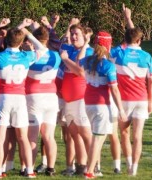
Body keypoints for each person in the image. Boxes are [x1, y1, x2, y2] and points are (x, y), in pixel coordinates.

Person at [0, 18, 47, 178]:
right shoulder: (26, 57)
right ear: (21, 41)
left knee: (0, 138)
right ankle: (29, 171)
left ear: (5, 39)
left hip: (3, 99)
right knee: (23, 137)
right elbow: (42, 48)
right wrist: (28, 33)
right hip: (19, 100)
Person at [67, 30, 126, 179]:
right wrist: (121, 110)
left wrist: (85, 43)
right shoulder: (108, 65)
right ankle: (90, 171)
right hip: (101, 105)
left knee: (97, 137)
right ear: (108, 45)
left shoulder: (87, 60)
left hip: (88, 104)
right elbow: (114, 90)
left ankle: (91, 169)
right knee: (97, 139)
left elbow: (78, 59)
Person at [113, 27, 152, 176]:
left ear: (125, 40)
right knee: (138, 135)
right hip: (141, 99)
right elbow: (151, 81)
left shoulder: (118, 54)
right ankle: (134, 169)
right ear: (139, 40)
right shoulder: (146, 56)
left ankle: (129, 163)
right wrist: (151, 102)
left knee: (124, 133)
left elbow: (105, 53)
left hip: (124, 100)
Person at [24, 25, 61, 176]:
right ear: (46, 40)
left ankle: (30, 169)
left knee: (32, 137)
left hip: (34, 97)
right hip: (51, 98)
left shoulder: (31, 56)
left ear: (34, 41)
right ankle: (51, 168)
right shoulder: (56, 56)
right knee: (49, 136)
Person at [59, 22, 93, 175]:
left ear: (84, 36)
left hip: (81, 98)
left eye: (76, 34)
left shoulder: (89, 51)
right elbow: (57, 41)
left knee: (86, 134)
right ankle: (81, 166)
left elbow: (80, 71)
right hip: (69, 99)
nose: (73, 36)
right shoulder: (70, 50)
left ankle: (94, 167)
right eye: (72, 33)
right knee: (74, 134)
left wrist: (66, 60)